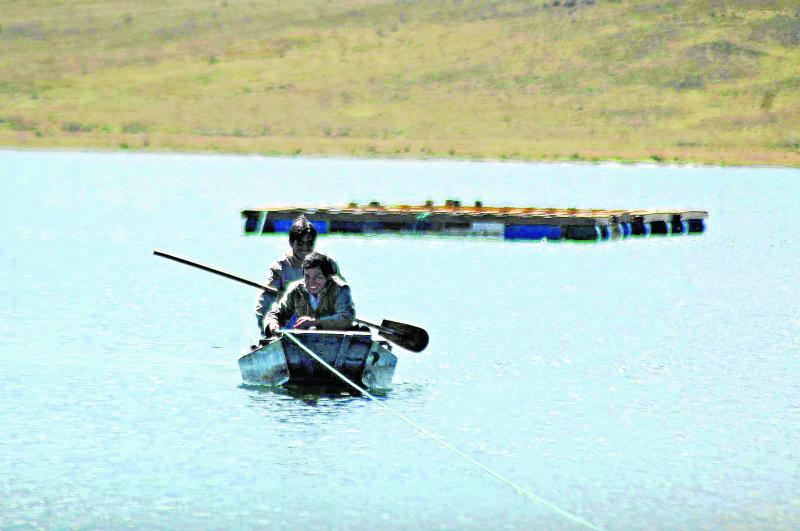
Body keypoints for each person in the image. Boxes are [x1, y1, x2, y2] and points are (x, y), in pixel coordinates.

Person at [254, 215, 342, 333]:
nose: (305, 248)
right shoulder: (281, 268)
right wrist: (267, 329)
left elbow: (342, 296)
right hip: (290, 328)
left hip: (321, 324)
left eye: (309, 243)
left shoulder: (328, 264)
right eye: (300, 244)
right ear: (291, 243)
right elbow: (263, 304)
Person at [263, 252, 354, 336]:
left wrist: (313, 322)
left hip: (333, 343)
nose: (311, 282)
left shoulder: (341, 289)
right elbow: (274, 313)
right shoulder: (297, 291)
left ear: (328, 277)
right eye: (307, 277)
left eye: (317, 277)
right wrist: (273, 324)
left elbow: (346, 319)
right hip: (303, 343)